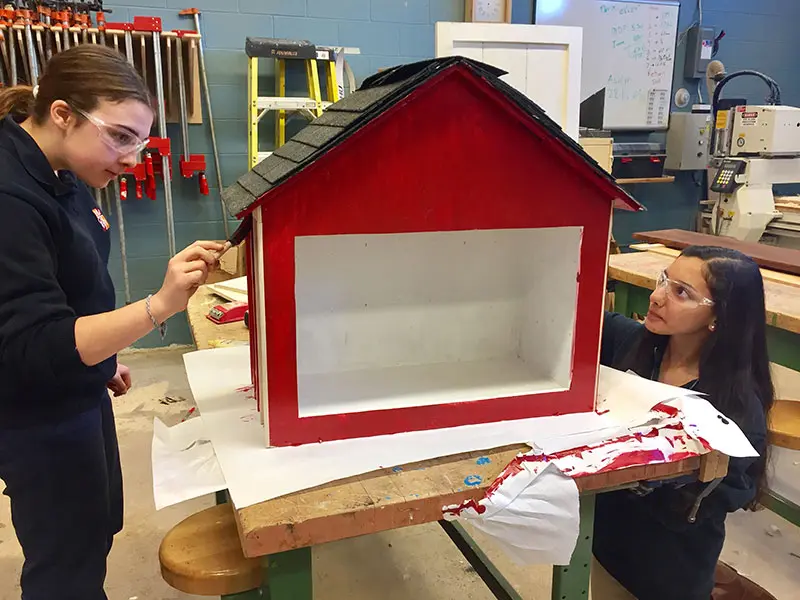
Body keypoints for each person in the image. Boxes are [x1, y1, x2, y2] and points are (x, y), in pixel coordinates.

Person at [0, 45, 224, 599]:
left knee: (94, 529)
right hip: (34, 408)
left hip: (76, 383)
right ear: (61, 114)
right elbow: (34, 340)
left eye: (140, 142)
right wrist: (160, 304)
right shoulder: (9, 196)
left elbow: (67, 292)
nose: (131, 159)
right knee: (65, 561)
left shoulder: (63, 168)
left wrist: (102, 354)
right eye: (119, 136)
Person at [592, 245, 774, 600]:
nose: (656, 297)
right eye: (664, 280)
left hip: (665, 576)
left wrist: (646, 477)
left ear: (718, 317)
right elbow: (581, 318)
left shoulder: (734, 409)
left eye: (681, 293)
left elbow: (720, 495)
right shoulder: (637, 344)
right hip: (603, 550)